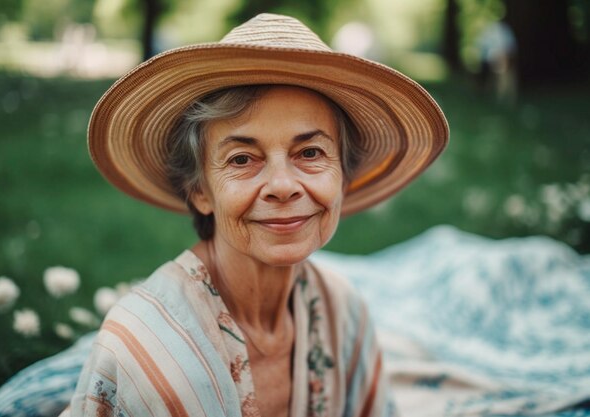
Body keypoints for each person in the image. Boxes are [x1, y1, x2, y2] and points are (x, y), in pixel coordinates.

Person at [62, 13, 448, 417]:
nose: (283, 185)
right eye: (242, 158)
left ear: (344, 175)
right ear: (199, 190)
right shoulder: (151, 353)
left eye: (310, 152)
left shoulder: (342, 314)